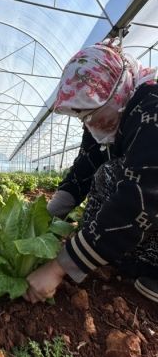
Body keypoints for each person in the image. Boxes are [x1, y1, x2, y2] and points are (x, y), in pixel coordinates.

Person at [24, 39, 158, 304]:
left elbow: (140, 198)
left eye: (91, 113)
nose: (89, 123)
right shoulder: (112, 115)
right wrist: (44, 217)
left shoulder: (152, 110)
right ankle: (116, 254)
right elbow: (85, 166)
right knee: (106, 174)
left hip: (150, 196)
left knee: (113, 177)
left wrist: (58, 267)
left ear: (115, 92)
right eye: (83, 116)